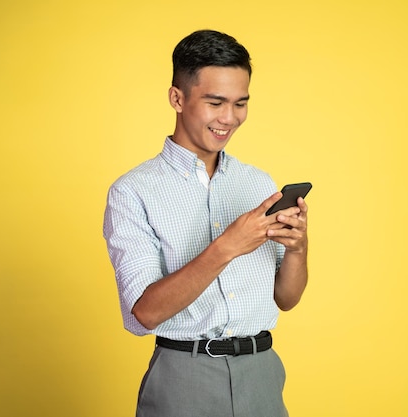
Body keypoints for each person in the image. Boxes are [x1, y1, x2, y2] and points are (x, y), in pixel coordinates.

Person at [103, 29, 309, 417]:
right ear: (177, 98)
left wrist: (298, 249)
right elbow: (143, 314)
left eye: (240, 104)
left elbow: (287, 298)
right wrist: (228, 246)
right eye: (215, 102)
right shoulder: (132, 191)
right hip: (184, 375)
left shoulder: (258, 183)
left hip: (262, 373)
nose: (229, 119)